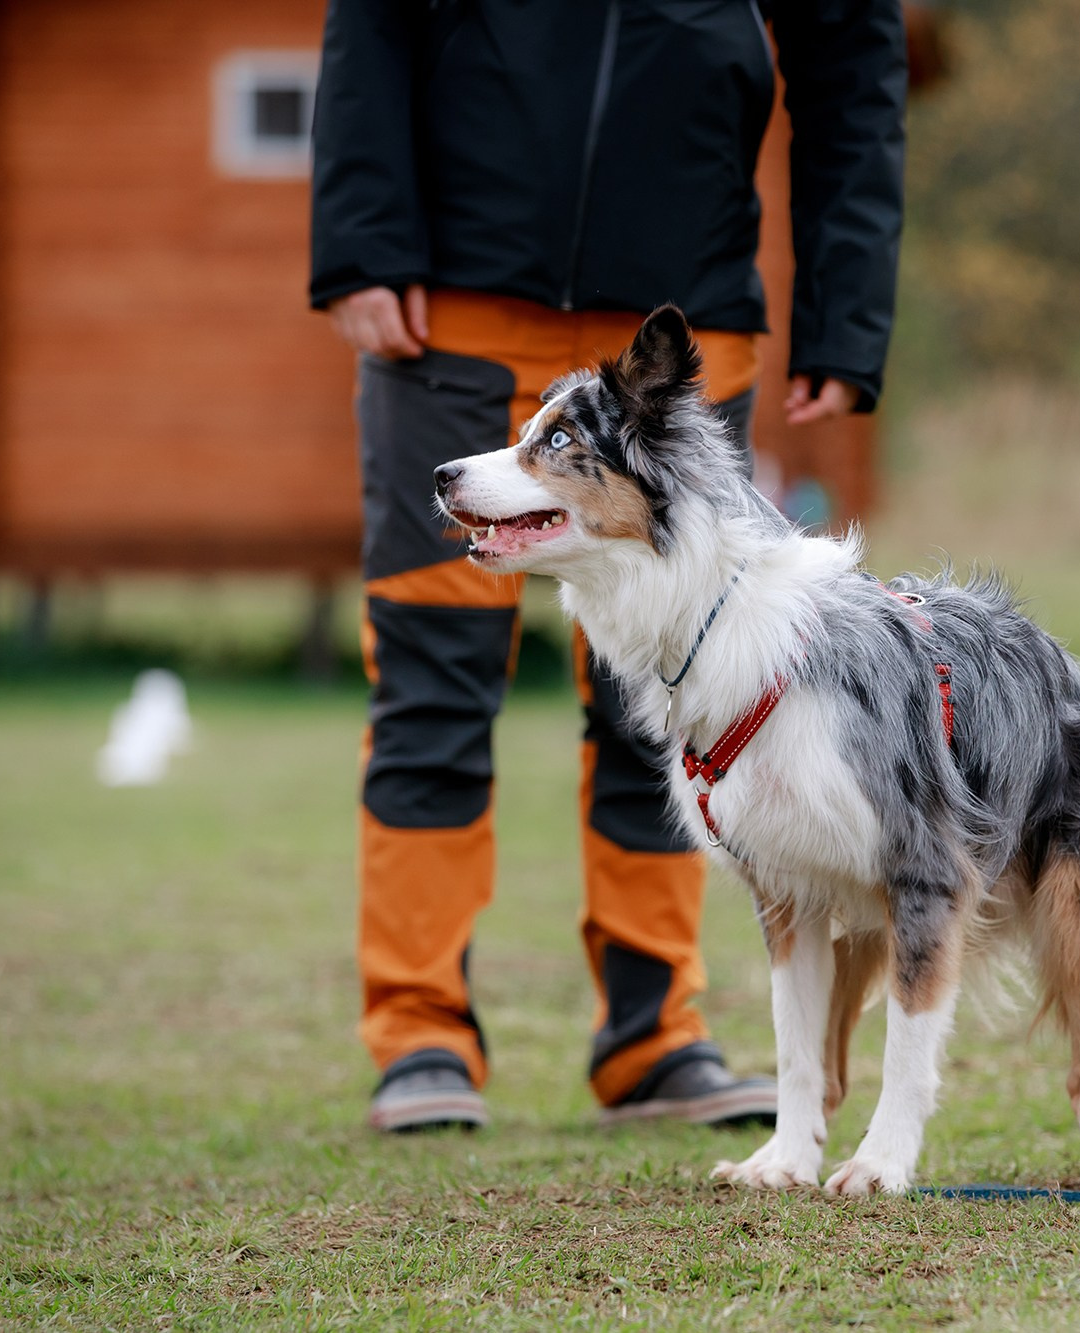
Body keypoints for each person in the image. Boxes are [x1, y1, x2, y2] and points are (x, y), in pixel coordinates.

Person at [309, 0, 907, 1132]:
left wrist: (846, 308)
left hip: (673, 327)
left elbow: (851, 54)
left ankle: (654, 1037)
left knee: (686, 697)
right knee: (431, 686)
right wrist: (361, 238)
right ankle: (419, 1032)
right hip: (451, 300)